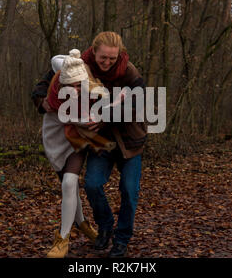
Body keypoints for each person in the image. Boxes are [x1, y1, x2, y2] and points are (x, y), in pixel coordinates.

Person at [32, 32, 147, 258]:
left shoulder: (130, 71)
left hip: (129, 141)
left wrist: (106, 114)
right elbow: (47, 81)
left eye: (112, 59)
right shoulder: (81, 65)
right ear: (94, 53)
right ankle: (104, 226)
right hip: (100, 142)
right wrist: (42, 100)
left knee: (129, 191)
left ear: (120, 55)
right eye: (103, 57)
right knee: (92, 184)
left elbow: (138, 101)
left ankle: (121, 240)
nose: (107, 63)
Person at [41, 49, 116, 258]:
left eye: (78, 85)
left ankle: (62, 239)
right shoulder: (60, 74)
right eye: (70, 86)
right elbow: (55, 59)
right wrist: (74, 59)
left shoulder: (92, 89)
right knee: (69, 189)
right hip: (55, 133)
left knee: (69, 183)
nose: (75, 89)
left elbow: (91, 119)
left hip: (78, 137)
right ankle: (82, 223)